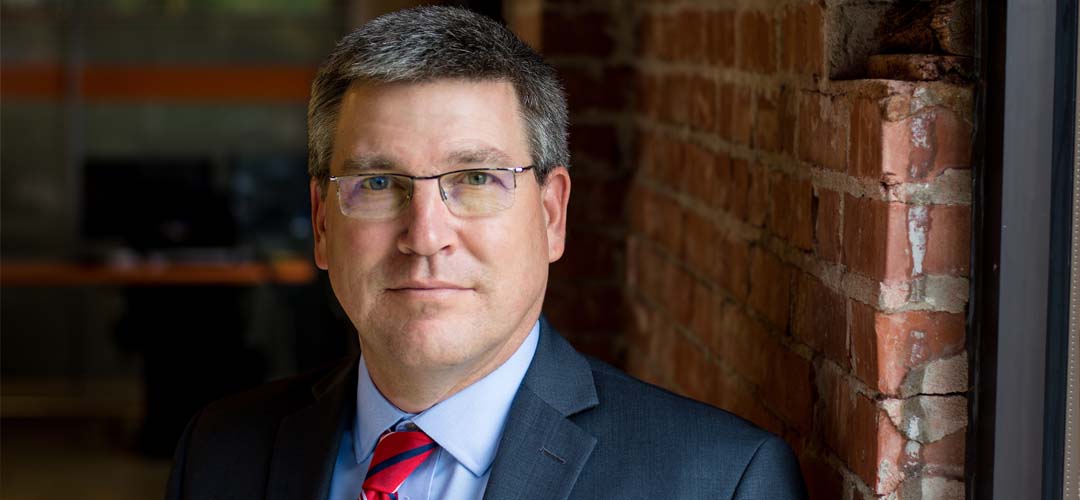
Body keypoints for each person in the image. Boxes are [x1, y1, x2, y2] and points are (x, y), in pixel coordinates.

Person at [166, 6, 807, 500]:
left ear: (551, 214)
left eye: (475, 180)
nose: (425, 235)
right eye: (379, 184)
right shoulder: (220, 454)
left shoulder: (717, 482)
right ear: (321, 225)